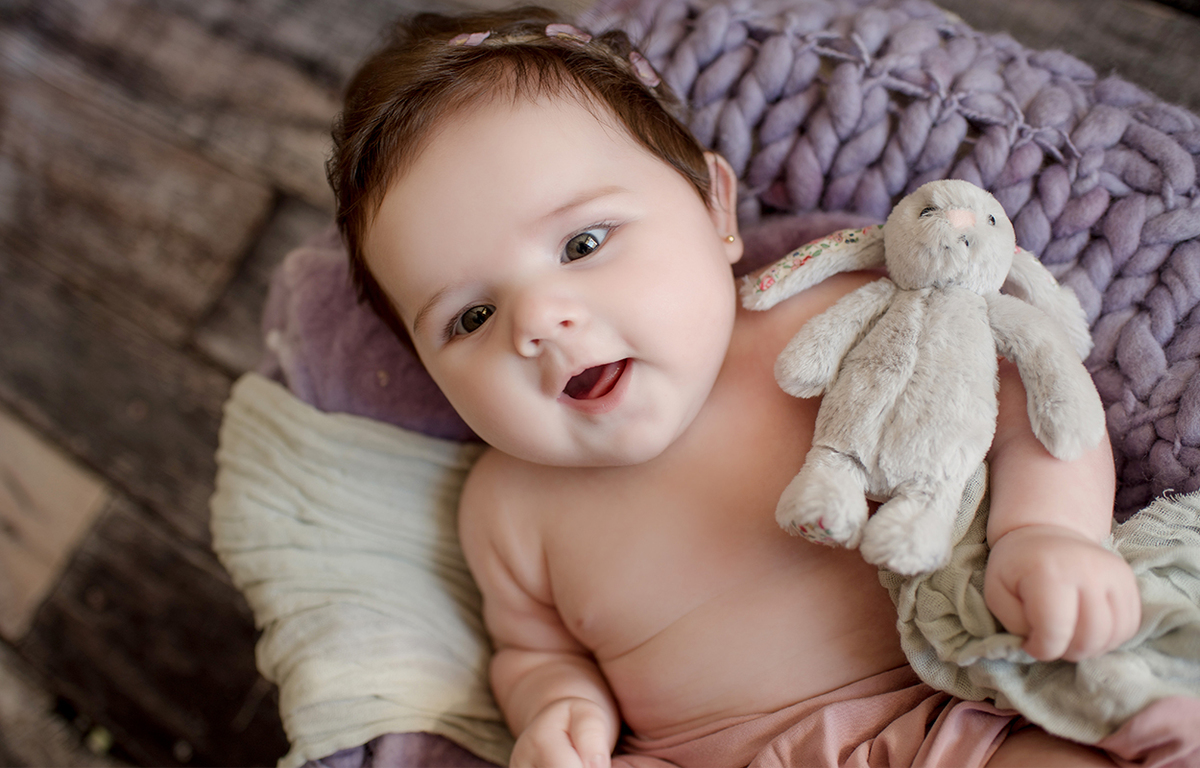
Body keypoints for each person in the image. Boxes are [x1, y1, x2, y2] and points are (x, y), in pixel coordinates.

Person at [327, 7, 1142, 766]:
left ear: (716, 207)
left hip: (951, 721)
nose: (537, 321)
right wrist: (556, 707)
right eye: (469, 317)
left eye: (582, 242)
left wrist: (1047, 534)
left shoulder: (828, 320)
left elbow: (1020, 397)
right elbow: (533, 651)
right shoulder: (504, 507)